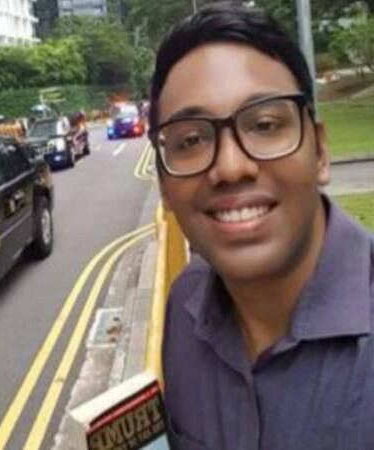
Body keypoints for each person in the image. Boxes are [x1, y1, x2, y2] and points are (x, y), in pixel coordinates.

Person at [149, 3, 374, 450]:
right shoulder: (183, 306)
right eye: (191, 139)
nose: (230, 167)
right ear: (162, 185)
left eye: (265, 124)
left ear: (321, 152)